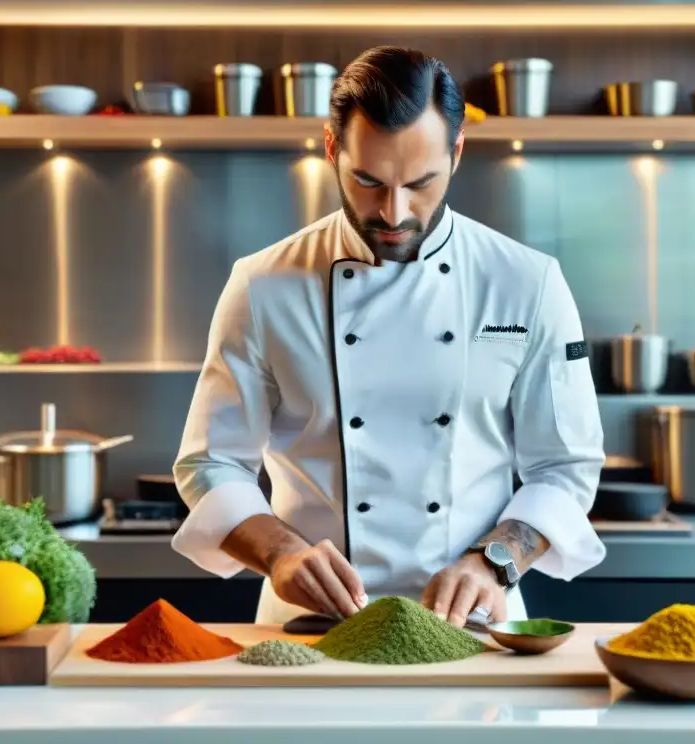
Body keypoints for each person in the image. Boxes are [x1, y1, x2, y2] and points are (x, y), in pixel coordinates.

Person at [172, 45, 605, 627]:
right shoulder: (262, 286)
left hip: (475, 622)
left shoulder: (526, 282)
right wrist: (281, 553)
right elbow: (210, 463)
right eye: (368, 181)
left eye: (421, 183)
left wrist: (493, 561)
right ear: (332, 149)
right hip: (308, 627)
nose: (395, 212)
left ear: (456, 152)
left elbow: (566, 466)